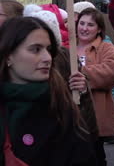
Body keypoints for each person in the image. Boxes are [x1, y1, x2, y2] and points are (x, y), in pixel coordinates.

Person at [0, 17, 96, 165]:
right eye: (36, 49)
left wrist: (83, 97)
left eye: (49, 50)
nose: (47, 58)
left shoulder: (61, 106)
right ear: (8, 56)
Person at [76, 8, 114, 165]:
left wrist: (81, 73)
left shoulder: (106, 48)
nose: (84, 28)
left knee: (94, 157)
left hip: (95, 114)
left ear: (99, 29)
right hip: (70, 113)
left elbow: (112, 71)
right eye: (81, 23)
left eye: (90, 25)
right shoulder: (67, 46)